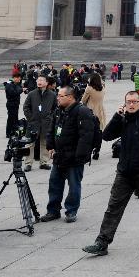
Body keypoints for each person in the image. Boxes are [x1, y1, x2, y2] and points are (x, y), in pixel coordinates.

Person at [82, 91, 139, 256]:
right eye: (128, 102)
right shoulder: (123, 120)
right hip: (124, 173)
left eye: (134, 102)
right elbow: (106, 136)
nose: (131, 105)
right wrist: (117, 116)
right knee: (113, 207)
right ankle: (102, 242)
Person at [41, 86, 95, 223]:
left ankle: (71, 211)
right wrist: (50, 145)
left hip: (74, 158)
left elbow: (86, 136)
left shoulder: (82, 111)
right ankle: (53, 210)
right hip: (59, 156)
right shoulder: (59, 111)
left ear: (70, 97)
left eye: (60, 95)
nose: (57, 98)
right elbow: (51, 129)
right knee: (54, 184)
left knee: (74, 186)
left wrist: (79, 156)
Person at [23, 76, 57, 171]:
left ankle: (44, 162)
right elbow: (26, 107)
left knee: (45, 143)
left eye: (42, 80)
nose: (39, 81)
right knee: (30, 143)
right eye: (38, 80)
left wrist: (50, 118)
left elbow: (56, 108)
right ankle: (28, 163)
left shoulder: (52, 95)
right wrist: (31, 118)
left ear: (46, 83)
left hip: (46, 123)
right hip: (33, 123)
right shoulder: (31, 94)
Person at [81, 73, 106, 160]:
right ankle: (97, 150)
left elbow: (83, 100)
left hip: (90, 110)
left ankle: (89, 149)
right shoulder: (103, 87)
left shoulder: (89, 88)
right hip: (100, 110)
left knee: (89, 131)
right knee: (99, 132)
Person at [3, 72, 24, 139]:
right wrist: (21, 90)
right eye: (18, 78)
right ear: (14, 78)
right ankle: (8, 133)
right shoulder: (9, 85)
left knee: (15, 118)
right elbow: (13, 93)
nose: (19, 80)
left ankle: (13, 131)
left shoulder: (15, 84)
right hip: (11, 104)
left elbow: (18, 90)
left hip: (15, 104)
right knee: (11, 118)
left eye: (20, 79)